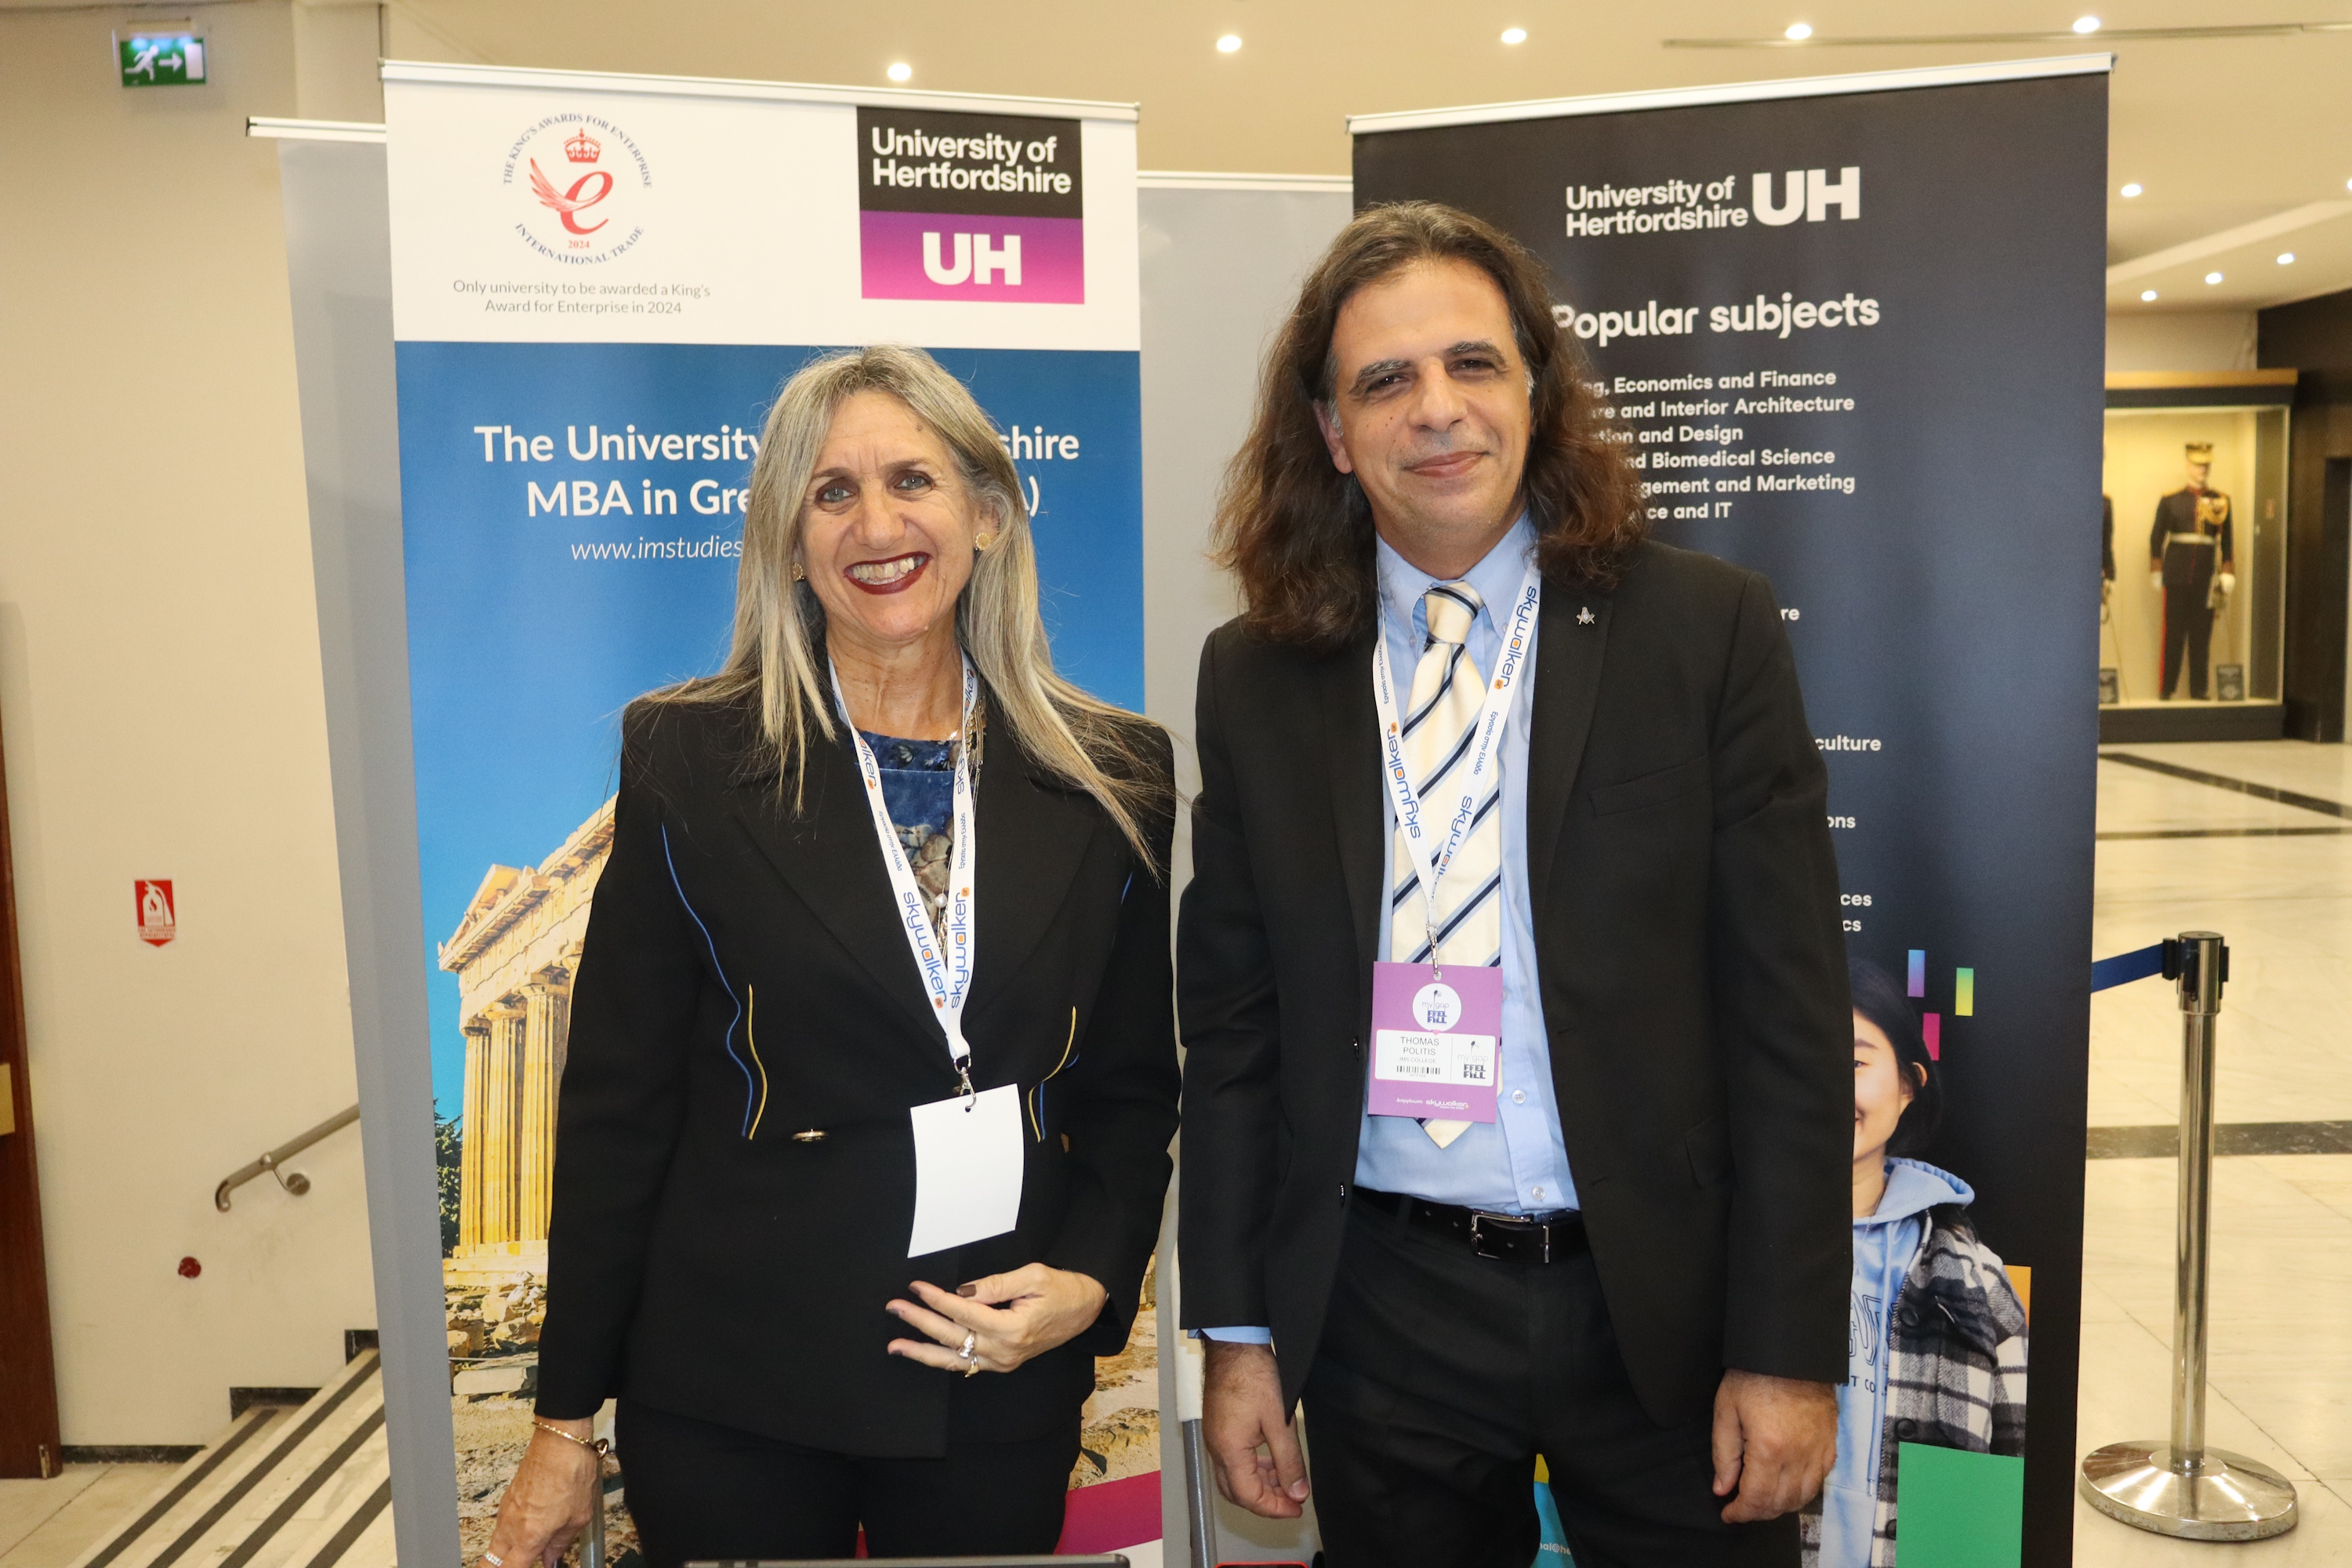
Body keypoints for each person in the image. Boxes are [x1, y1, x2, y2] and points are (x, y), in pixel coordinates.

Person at [1178, 201, 1852, 1568]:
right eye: (1386, 380)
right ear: (1332, 431)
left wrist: (1786, 1349)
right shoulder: (1259, 675)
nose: (1437, 409)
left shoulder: (1703, 630)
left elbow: (1788, 1016)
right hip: (1382, 1309)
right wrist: (1239, 1337)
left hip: (1661, 1300)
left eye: (1473, 364)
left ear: (1536, 392)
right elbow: (1237, 1031)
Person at [480, 345, 1180, 1566]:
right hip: (737, 1387)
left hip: (992, 1371)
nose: (877, 525)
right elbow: (618, 1108)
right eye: (832, 492)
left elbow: (1129, 1087)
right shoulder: (691, 760)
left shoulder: (1112, 774)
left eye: (912, 480)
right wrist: (562, 1421)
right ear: (790, 543)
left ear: (988, 514)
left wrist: (1089, 1281)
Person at [1804, 960, 2027, 1567]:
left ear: (1908, 1084)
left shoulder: (1970, 1280)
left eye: (1854, 1063)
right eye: (1803, 1058)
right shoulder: (1717, 1255)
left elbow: (1988, 1495)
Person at [2147, 441, 2234, 700]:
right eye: (2197, 464)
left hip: (2205, 576)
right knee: (2173, 633)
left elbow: (2227, 541)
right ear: (2187, 465)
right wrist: (2156, 569)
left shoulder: (2221, 501)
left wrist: (2227, 570)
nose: (2202, 469)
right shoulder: (2171, 500)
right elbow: (2156, 537)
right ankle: (2167, 688)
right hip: (2176, 574)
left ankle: (2199, 689)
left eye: (2206, 465)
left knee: (2201, 635)